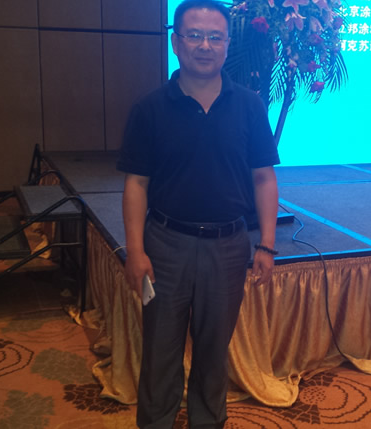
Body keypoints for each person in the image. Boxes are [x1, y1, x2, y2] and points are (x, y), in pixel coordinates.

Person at [117, 0, 280, 427]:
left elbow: (264, 178)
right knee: (160, 348)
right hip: (165, 245)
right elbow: (136, 185)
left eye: (215, 37)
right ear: (176, 42)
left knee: (214, 349)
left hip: (228, 247)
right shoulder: (150, 108)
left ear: (227, 44)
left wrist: (266, 244)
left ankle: (208, 421)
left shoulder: (249, 105)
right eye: (194, 35)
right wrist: (135, 251)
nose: (204, 45)